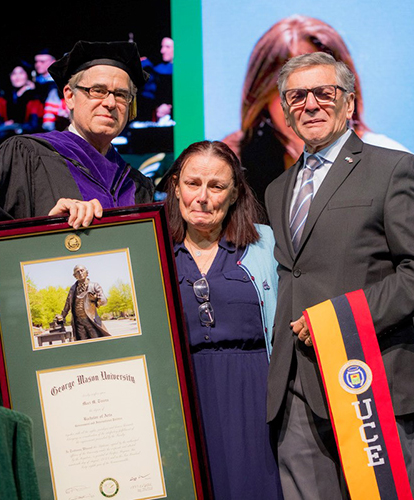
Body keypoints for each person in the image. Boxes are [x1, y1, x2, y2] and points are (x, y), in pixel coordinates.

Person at [265, 52, 414, 500]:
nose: (310, 104)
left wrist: (338, 320)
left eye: (324, 93)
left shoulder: (392, 168)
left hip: (372, 383)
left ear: (349, 103)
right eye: (297, 96)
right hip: (295, 393)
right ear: (285, 111)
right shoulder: (275, 189)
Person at [0, 40, 155, 399]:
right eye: (97, 90)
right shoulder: (24, 156)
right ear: (68, 95)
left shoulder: (137, 186)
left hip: (123, 367)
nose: (110, 102)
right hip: (45, 371)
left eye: (122, 95)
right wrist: (42, 233)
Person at [222, 15, 414, 237]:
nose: (311, 104)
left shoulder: (380, 155)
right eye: (294, 90)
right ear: (264, 95)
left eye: (323, 89)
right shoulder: (233, 161)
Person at [163, 140, 282, 500]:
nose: (202, 196)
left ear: (234, 195)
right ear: (175, 187)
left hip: (256, 399)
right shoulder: (152, 248)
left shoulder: (267, 245)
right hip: (180, 403)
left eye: (216, 187)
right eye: (192, 183)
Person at [0, 60, 44, 146]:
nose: (17, 77)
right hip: (6, 142)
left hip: (29, 142)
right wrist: (5, 126)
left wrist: (13, 126)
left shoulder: (34, 98)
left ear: (27, 75)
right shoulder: (3, 98)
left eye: (21, 73)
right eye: (14, 74)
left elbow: (34, 124)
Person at [59, 264, 110, 340]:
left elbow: (104, 300)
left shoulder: (94, 285)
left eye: (82, 270)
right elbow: (67, 304)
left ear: (87, 272)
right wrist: (62, 316)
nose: (80, 273)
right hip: (78, 323)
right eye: (77, 272)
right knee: (82, 344)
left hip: (91, 320)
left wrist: (96, 299)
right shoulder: (72, 289)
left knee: (96, 340)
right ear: (74, 276)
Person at [33, 48, 67, 131]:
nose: (38, 64)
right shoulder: (34, 82)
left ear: (53, 62)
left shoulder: (60, 82)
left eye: (42, 62)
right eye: (36, 61)